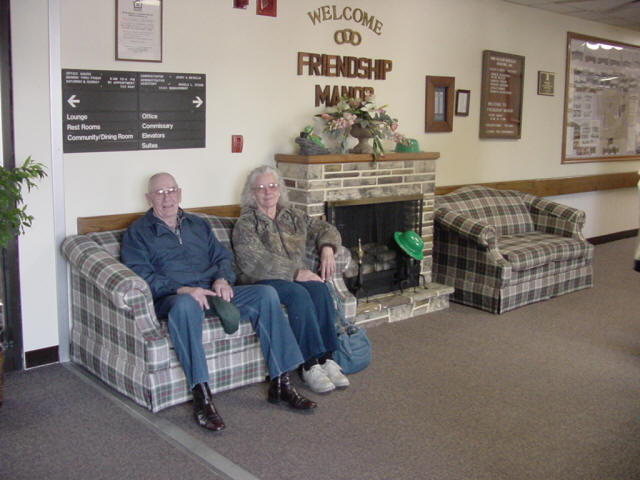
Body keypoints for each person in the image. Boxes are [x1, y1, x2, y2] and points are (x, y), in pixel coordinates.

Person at [120, 172, 317, 433]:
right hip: (174, 297)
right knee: (186, 307)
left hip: (212, 292)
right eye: (160, 192)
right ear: (149, 198)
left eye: (171, 190)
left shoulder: (197, 225)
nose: (167, 197)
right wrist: (184, 290)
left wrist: (222, 279)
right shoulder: (138, 233)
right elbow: (142, 275)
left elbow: (222, 258)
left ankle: (281, 383)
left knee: (266, 294)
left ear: (180, 193)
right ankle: (202, 397)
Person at [232, 165, 350, 394]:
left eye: (272, 186)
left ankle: (326, 359)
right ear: (252, 194)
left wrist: (327, 247)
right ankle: (309, 365)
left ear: (280, 189)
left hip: (294, 277)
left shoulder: (293, 216)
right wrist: (295, 273)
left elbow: (325, 228)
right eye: (261, 188)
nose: (268, 192)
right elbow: (253, 260)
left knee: (319, 289)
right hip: (261, 281)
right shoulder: (246, 224)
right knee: (298, 293)